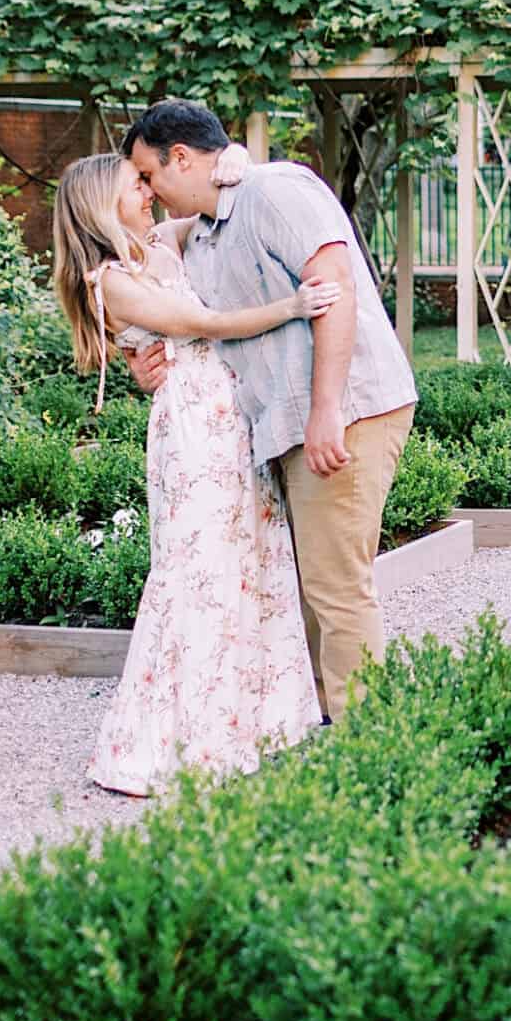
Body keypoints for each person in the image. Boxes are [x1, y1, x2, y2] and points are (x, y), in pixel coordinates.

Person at [50, 151, 340, 794]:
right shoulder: (110, 280)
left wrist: (236, 162)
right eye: (137, 185)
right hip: (193, 429)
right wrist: (292, 305)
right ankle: (187, 743)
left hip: (231, 418)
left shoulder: (153, 245)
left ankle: (256, 728)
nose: (150, 191)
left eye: (149, 179)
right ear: (105, 201)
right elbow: (202, 323)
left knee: (252, 563)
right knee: (200, 571)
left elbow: (206, 206)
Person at [120, 99, 419, 722]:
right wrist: (142, 359)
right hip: (281, 424)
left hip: (346, 409)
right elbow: (166, 298)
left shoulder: (274, 191)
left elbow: (333, 292)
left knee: (336, 588)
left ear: (181, 158)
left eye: (149, 175)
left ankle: (365, 739)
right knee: (304, 586)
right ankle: (316, 721)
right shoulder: (202, 231)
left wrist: (325, 412)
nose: (148, 190)